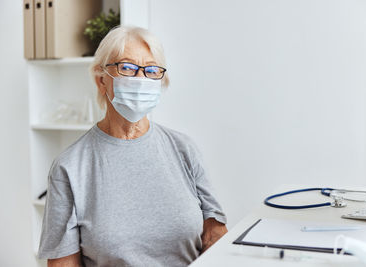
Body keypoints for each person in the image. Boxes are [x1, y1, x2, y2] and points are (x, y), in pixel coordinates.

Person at [38, 26, 228, 267]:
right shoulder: (70, 167)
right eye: (127, 67)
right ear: (102, 81)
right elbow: (63, 264)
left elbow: (215, 233)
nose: (141, 79)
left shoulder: (184, 149)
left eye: (151, 70)